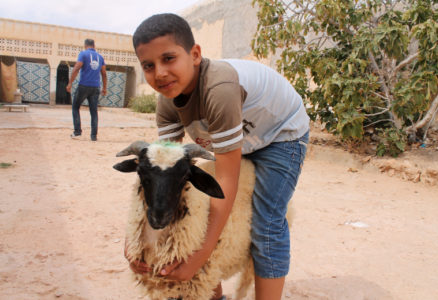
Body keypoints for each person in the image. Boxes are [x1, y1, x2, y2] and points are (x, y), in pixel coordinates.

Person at [126, 13, 310, 300]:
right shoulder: (167, 100)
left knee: (267, 222)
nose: (159, 73)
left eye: (169, 59)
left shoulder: (218, 90)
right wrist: (133, 241)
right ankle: (214, 295)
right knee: (198, 208)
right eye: (148, 66)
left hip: (280, 135)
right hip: (241, 137)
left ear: (195, 54)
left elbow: (227, 179)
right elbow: (165, 170)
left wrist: (199, 255)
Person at [66, 38, 107, 141]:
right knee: (94, 112)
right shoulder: (100, 57)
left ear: (85, 45)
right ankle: (93, 136)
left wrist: (70, 83)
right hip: (95, 87)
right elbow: (104, 73)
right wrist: (104, 88)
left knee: (75, 107)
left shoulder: (83, 54)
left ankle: (77, 132)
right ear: (94, 45)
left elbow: (76, 68)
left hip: (83, 86)